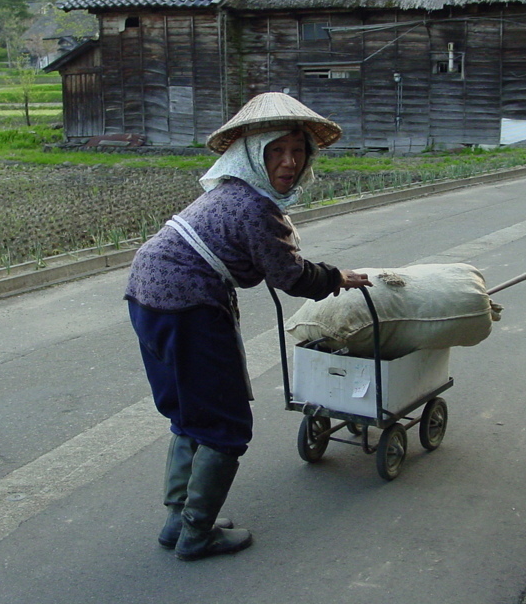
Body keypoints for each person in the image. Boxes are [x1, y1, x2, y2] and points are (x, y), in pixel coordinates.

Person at [125, 92, 372, 561]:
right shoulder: (258, 208)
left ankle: (179, 519)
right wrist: (338, 276)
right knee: (224, 423)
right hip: (187, 304)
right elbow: (291, 277)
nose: (288, 162)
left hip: (146, 295)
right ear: (252, 155)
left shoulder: (231, 191)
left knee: (189, 414)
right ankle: (197, 533)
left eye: (297, 152)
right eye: (275, 151)